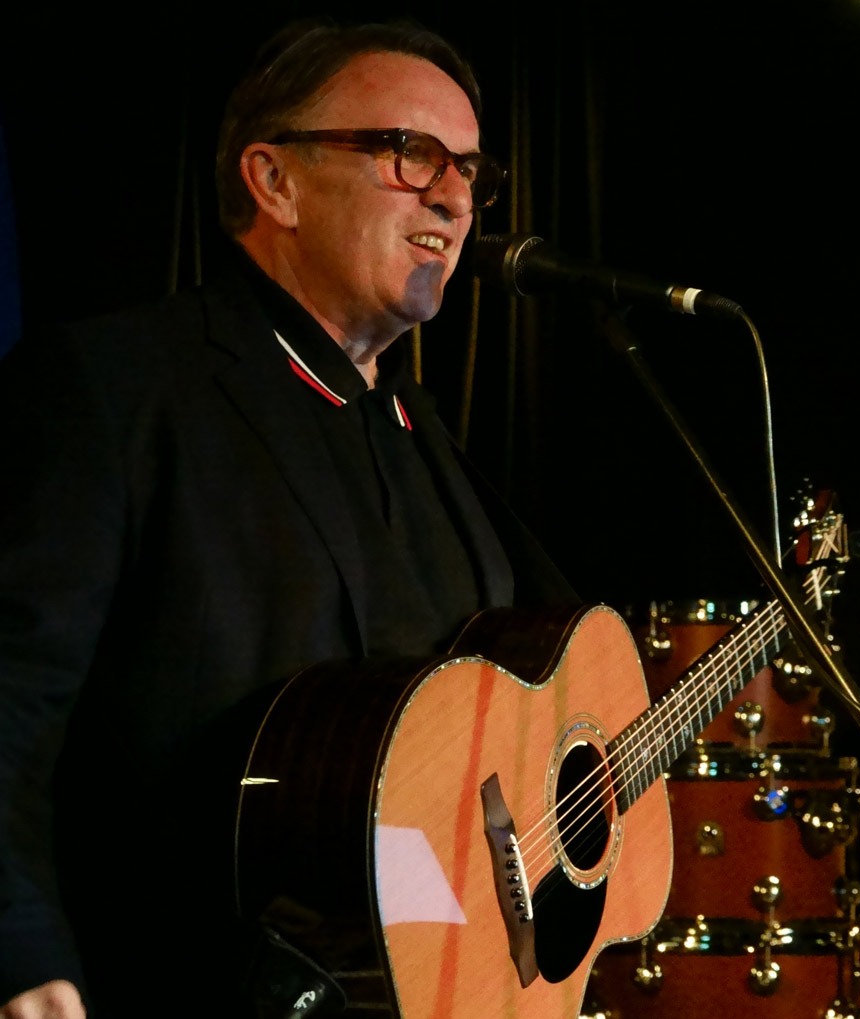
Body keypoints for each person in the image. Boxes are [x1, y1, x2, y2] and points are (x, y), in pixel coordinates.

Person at [0, 18, 574, 1019]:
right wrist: (21, 953)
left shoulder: (424, 435)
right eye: (411, 153)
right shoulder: (115, 388)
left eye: (472, 170)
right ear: (274, 179)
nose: (453, 193)